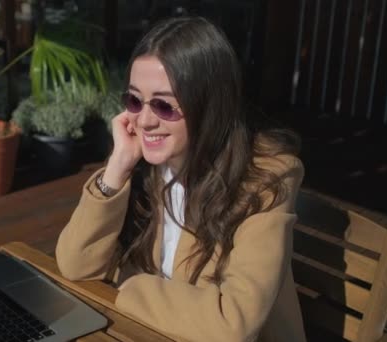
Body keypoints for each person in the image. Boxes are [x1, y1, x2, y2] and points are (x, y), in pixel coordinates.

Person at [55, 16, 307, 342]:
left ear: (209, 105)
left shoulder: (266, 177)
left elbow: (231, 323)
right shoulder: (147, 163)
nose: (144, 120)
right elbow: (75, 263)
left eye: (164, 105)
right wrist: (117, 168)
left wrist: (130, 289)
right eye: (134, 100)